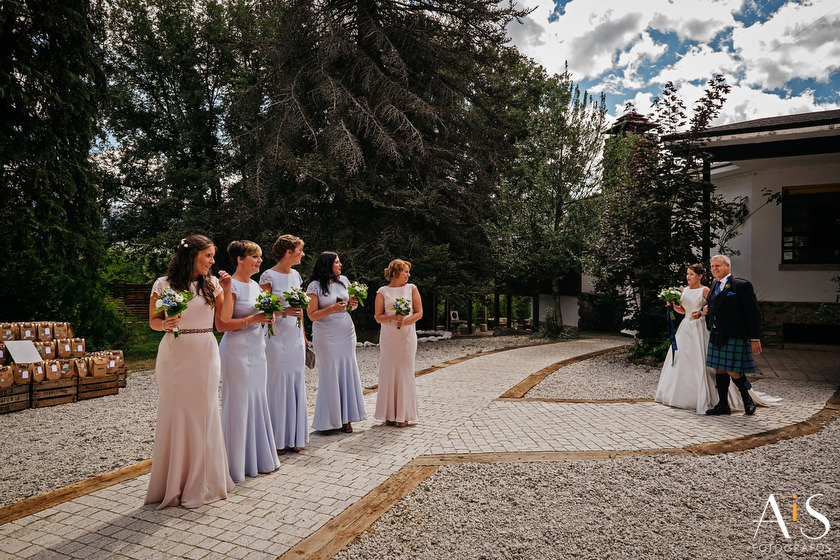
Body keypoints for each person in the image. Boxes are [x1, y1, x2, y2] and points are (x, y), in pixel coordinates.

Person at [145, 235, 235, 508]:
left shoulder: (213, 284)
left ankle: (204, 481)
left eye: (212, 256)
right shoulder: (163, 284)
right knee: (175, 413)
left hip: (205, 352)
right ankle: (172, 483)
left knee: (204, 413)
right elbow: (152, 322)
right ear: (192, 255)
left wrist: (228, 289)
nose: (212, 261)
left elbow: (225, 320)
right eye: (208, 255)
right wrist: (165, 324)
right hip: (174, 353)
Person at [217, 240, 280, 482]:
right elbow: (223, 324)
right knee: (239, 403)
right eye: (255, 256)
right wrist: (254, 319)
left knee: (257, 400)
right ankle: (234, 464)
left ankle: (259, 458)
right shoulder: (230, 287)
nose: (260, 261)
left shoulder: (255, 285)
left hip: (257, 349)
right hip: (237, 350)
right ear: (240, 259)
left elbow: (260, 316)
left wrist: (268, 318)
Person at [306, 252, 367, 433]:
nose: (340, 264)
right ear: (327, 264)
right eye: (337, 262)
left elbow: (350, 307)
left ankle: (347, 418)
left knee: (347, 371)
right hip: (326, 333)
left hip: (345, 331)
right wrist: (332, 308)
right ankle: (329, 421)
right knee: (330, 373)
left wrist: (352, 304)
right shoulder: (314, 286)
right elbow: (312, 315)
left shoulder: (344, 281)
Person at [259, 234, 309, 453]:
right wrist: (285, 311)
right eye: (300, 250)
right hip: (276, 335)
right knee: (278, 383)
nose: (303, 254)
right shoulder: (268, 276)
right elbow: (262, 308)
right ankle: (277, 439)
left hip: (295, 336)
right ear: (289, 252)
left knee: (296, 381)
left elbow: (301, 310)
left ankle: (295, 437)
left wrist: (305, 335)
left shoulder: (297, 275)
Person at [702, 254, 766, 415]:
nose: (714, 269)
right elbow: (714, 306)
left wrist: (754, 337)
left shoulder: (740, 285)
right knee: (719, 369)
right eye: (712, 266)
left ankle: (748, 400)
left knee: (734, 371)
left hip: (735, 333)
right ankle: (723, 405)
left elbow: (753, 313)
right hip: (717, 333)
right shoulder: (714, 285)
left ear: (727, 267)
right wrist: (706, 312)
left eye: (718, 266)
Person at [374, 259, 422, 427]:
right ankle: (389, 414)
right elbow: (378, 316)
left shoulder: (412, 288)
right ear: (395, 273)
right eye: (405, 271)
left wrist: (405, 322)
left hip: (407, 337)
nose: (408, 275)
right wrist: (392, 318)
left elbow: (419, 312)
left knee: (404, 371)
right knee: (389, 371)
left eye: (409, 272)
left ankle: (403, 415)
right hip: (389, 337)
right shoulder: (382, 291)